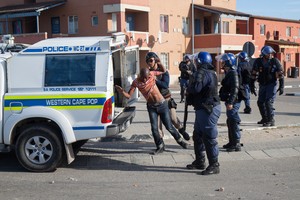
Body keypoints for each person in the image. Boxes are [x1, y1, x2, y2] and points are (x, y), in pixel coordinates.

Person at [115, 67, 188, 155]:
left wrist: (158, 61)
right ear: (140, 76)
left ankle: (181, 142)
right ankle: (160, 146)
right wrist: (122, 91)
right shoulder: (136, 82)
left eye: (147, 77)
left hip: (162, 104)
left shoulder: (152, 74)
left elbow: (163, 71)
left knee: (169, 127)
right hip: (151, 107)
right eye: (143, 78)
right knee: (154, 129)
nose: (145, 79)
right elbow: (128, 96)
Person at [185, 51, 221, 175]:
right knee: (198, 135)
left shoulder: (202, 72)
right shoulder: (210, 72)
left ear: (200, 61)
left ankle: (214, 165)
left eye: (196, 60)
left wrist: (188, 88)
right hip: (204, 108)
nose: (194, 62)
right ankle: (200, 161)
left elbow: (196, 88)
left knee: (209, 137)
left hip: (208, 109)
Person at [145, 52, 190, 141]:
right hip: (155, 101)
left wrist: (154, 80)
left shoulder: (163, 72)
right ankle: (160, 144)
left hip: (166, 98)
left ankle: (182, 130)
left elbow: (165, 85)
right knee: (157, 126)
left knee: (173, 119)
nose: (149, 63)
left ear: (156, 60)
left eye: (151, 60)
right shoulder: (148, 73)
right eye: (147, 61)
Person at [250, 46, 284, 127]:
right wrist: (252, 85)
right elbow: (254, 73)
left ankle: (271, 120)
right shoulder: (258, 62)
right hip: (262, 84)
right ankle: (264, 118)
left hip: (272, 84)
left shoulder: (275, 61)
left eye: (271, 53)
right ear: (263, 54)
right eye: (268, 53)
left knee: (268, 102)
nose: (270, 55)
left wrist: (281, 85)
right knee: (260, 102)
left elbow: (280, 73)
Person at [218, 53, 242, 152]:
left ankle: (236, 143)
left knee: (233, 121)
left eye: (223, 62)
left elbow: (235, 88)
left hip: (234, 101)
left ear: (228, 62)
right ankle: (231, 142)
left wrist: (231, 102)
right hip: (230, 100)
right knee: (230, 121)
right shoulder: (228, 72)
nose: (222, 64)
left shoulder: (233, 73)